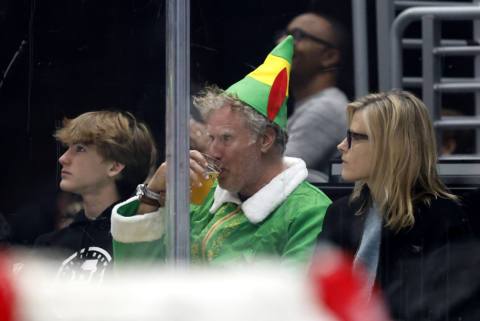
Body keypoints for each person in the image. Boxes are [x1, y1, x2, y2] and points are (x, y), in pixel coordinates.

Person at [111, 36, 331, 264]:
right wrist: (152, 196)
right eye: (211, 138)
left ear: (265, 139)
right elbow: (140, 278)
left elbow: (293, 296)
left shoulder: (308, 212)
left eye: (226, 138)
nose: (212, 151)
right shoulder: (203, 195)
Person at [317, 91, 473, 318]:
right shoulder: (341, 213)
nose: (342, 146)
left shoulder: (443, 218)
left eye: (355, 137)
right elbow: (317, 297)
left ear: (391, 146)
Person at [35, 111, 157, 282]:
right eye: (68, 148)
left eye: (80, 149)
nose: (63, 158)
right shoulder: (49, 245)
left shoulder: (138, 241)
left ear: (114, 166)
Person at [279, 12, 349, 181]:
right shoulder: (311, 104)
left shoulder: (327, 107)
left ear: (329, 57)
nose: (281, 43)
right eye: (283, 35)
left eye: (296, 36)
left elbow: (271, 172)